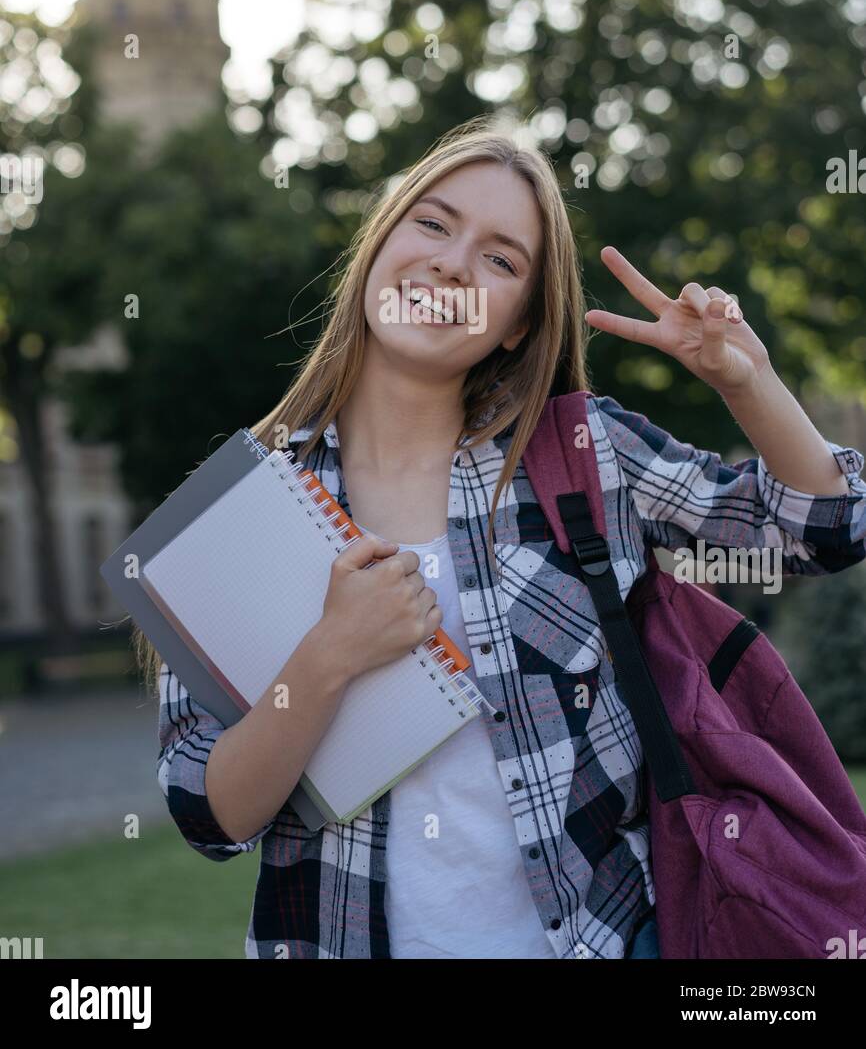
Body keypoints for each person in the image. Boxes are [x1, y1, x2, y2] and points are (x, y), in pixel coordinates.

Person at [140, 120, 866, 959]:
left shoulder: (585, 455)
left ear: (519, 322)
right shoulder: (244, 504)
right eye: (435, 224)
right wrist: (331, 654)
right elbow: (209, 814)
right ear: (382, 246)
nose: (453, 263)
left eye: (501, 260)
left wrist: (749, 382)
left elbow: (824, 528)